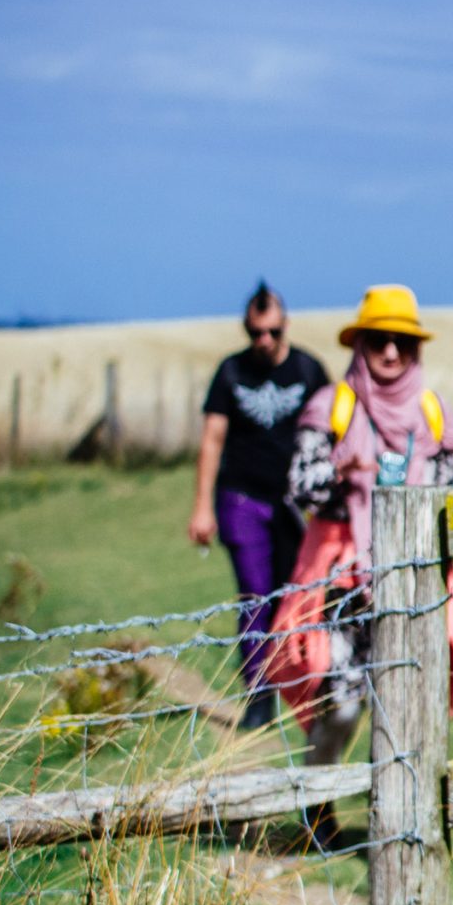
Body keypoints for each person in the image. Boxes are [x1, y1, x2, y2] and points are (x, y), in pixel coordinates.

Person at [266, 286, 453, 841]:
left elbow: (452, 486)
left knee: (406, 706)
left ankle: (401, 818)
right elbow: (299, 489)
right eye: (377, 341)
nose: (389, 353)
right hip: (342, 586)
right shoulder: (330, 407)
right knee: (342, 706)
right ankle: (318, 806)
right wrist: (339, 468)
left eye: (401, 342)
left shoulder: (432, 412)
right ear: (358, 345)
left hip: (411, 580)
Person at [188, 281, 328, 730]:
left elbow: (333, 430)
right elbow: (212, 440)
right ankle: (259, 696)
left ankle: (301, 690)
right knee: (254, 597)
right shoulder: (231, 373)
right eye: (254, 333)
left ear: (284, 326)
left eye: (270, 332)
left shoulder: (310, 371)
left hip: (291, 506)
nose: (263, 341)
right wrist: (201, 508)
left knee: (292, 599)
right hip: (240, 500)